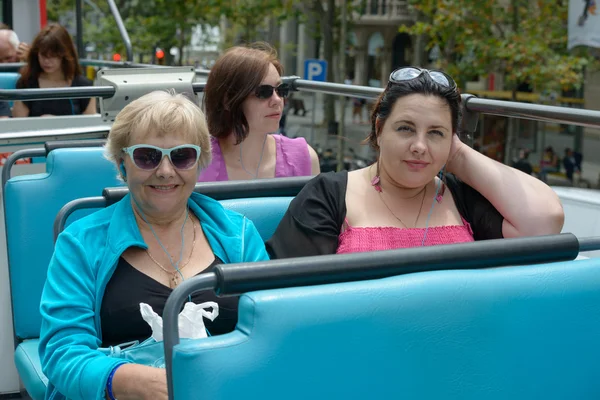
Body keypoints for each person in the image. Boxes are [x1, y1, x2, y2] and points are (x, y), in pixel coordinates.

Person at [38, 90, 270, 400]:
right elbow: (62, 351)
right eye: (147, 156)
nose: (164, 170)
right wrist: (132, 382)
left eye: (181, 156)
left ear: (199, 163)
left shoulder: (239, 236)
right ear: (123, 165)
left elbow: (269, 332)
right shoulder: (81, 243)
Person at [266, 67, 564, 258]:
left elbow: (545, 220)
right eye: (405, 128)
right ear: (379, 130)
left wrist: (457, 156)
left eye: (435, 133)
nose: (419, 146)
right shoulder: (328, 195)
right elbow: (291, 297)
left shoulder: (462, 198)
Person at [198, 43, 319, 181]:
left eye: (281, 90)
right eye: (263, 92)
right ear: (228, 100)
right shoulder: (195, 162)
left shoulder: (304, 158)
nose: (277, 100)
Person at [13, 23, 95, 117]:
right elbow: (18, 125)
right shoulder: (25, 83)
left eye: (53, 56)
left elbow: (91, 125)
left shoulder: (84, 86)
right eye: (43, 55)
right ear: (36, 54)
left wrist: (57, 124)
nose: (47, 61)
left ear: (65, 55)